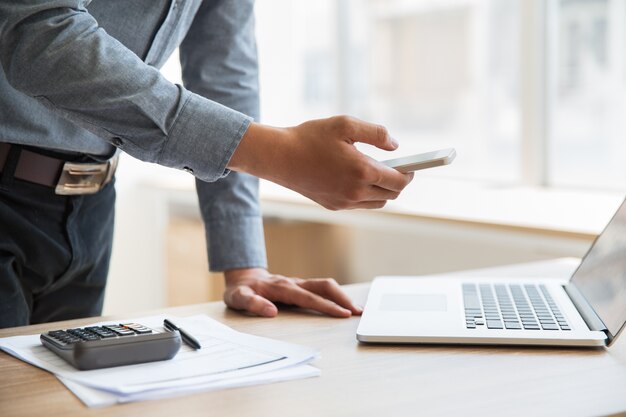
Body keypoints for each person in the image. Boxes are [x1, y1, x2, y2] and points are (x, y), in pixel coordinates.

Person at [0, 0, 413, 328]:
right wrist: (278, 153)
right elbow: (41, 32)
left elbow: (226, 76)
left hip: (92, 208)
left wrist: (244, 266)